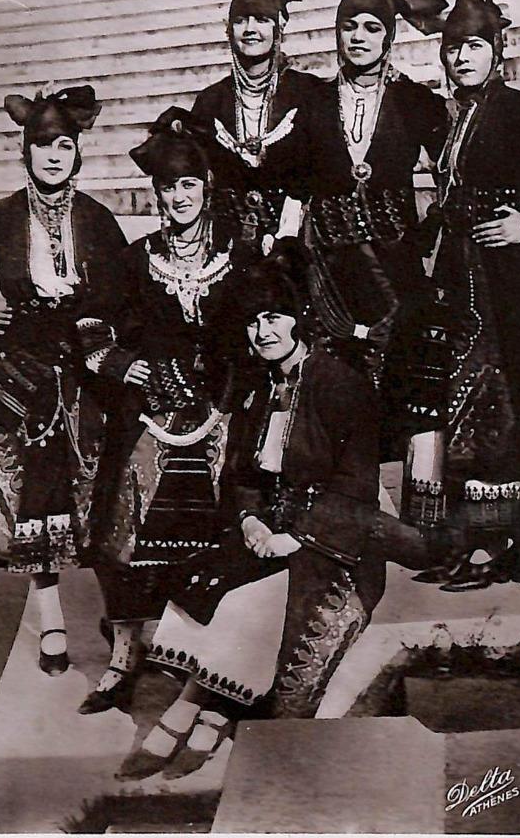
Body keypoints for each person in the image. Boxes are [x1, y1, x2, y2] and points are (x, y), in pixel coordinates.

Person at [115, 255, 462, 782]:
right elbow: (242, 476)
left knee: (246, 604)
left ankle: (195, 712)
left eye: (275, 318)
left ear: (300, 320)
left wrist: (294, 538)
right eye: (253, 322)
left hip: (336, 542)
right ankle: (203, 710)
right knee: (201, 585)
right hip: (270, 533)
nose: (263, 332)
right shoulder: (258, 389)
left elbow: (355, 487)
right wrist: (250, 522)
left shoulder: (341, 385)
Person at [75, 107, 247, 715]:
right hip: (151, 416)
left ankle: (209, 663)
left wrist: (231, 395)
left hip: (222, 417)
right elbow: (90, 326)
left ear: (207, 188)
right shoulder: (135, 259)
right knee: (122, 531)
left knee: (223, 533)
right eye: (169, 187)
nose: (179, 197)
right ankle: (124, 656)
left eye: (189, 185)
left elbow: (258, 331)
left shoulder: (237, 258)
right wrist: (121, 364)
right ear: (157, 193)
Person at [412, 0, 520, 592]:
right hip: (462, 276)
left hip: (510, 281)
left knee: (512, 401)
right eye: (453, 48)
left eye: (474, 46)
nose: (461, 57)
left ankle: (508, 545)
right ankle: (465, 539)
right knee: (465, 402)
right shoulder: (456, 116)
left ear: (496, 52)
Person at [0, 85, 126, 675]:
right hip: (25, 371)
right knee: (37, 496)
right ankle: (52, 624)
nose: (53, 156)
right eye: (42, 145)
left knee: (101, 491)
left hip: (86, 369)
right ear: (26, 152)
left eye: (64, 145)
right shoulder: (0, 217)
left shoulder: (96, 218)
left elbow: (126, 292)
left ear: (77, 152)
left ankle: (121, 618)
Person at [299, 0, 451, 461]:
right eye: (349, 26)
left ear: (389, 37)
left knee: (397, 392)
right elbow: (290, 182)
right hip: (331, 273)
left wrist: (431, 230)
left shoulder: (416, 102)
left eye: (372, 27)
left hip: (395, 270)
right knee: (337, 387)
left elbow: (456, 170)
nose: (359, 37)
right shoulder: (312, 102)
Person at [191, 0, 322, 260]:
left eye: (262, 19)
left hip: (297, 248)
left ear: (279, 27)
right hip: (229, 247)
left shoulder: (310, 93)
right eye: (241, 21)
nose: (250, 29)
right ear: (229, 29)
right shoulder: (210, 102)